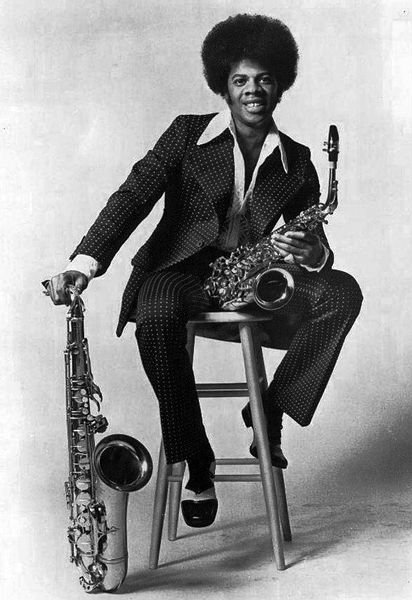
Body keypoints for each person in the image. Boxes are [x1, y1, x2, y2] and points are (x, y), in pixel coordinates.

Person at [47, 14, 363, 528]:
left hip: (251, 280)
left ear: (280, 85)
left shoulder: (298, 160)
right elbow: (133, 196)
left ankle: (270, 410)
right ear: (224, 85)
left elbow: (318, 243)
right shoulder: (187, 134)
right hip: (182, 272)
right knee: (156, 307)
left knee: (343, 291)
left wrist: (310, 254)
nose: (253, 89)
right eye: (241, 80)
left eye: (264, 79)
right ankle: (197, 460)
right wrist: (84, 263)